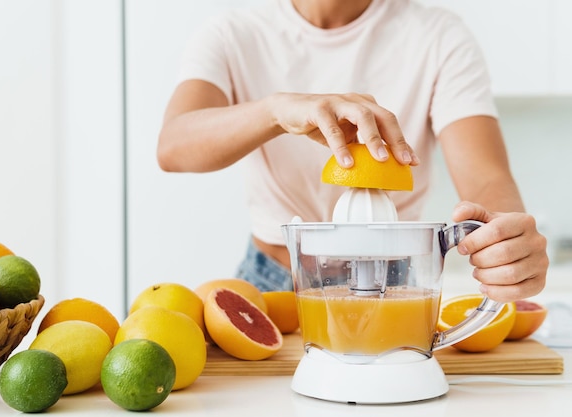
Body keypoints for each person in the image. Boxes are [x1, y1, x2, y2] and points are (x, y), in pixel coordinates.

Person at [157, 0, 548, 302]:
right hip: (270, 284)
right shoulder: (232, 33)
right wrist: (274, 111)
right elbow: (174, 145)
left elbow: (486, 177)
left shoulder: (438, 35)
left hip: (395, 285)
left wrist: (506, 240)